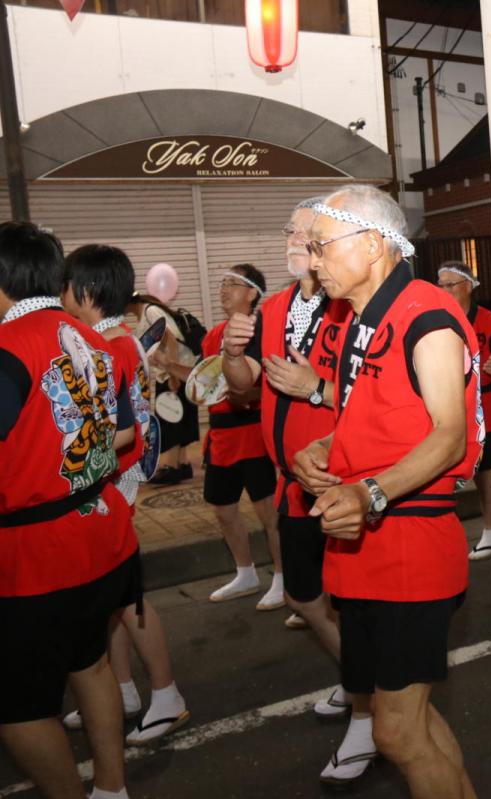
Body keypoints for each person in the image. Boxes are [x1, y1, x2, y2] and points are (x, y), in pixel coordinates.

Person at [294, 185, 479, 799]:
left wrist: (370, 492)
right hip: (363, 545)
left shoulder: (426, 313)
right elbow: (372, 417)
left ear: (372, 245)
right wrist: (326, 450)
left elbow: (449, 435)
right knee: (414, 720)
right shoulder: (360, 320)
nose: (312, 259)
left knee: (396, 733)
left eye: (321, 245)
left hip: (409, 544)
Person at [221, 199, 371, 784]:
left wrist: (316, 388)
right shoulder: (275, 306)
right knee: (305, 597)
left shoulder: (353, 307)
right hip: (292, 484)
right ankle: (357, 678)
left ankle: (367, 711)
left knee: (350, 600)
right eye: (287, 229)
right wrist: (235, 355)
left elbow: (381, 402)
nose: (290, 239)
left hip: (339, 480)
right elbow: (242, 391)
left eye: (302, 232)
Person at [0, 221, 139, 799]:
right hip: (100, 531)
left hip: (36, 556)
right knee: (92, 665)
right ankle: (111, 788)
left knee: (19, 709)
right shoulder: (92, 339)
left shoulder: (8, 351)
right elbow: (125, 433)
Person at [60, 244, 189, 746]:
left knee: (128, 596)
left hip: (113, 479)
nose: (60, 293)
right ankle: (124, 690)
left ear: (85, 290)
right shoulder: (120, 338)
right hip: (120, 478)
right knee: (112, 599)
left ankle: (166, 694)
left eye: (66, 284)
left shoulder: (103, 348)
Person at [157, 264, 284, 607]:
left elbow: (266, 387)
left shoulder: (262, 331)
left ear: (253, 293)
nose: (224, 289)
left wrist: (240, 395)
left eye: (234, 284)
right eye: (223, 283)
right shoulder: (215, 335)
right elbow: (202, 381)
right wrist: (168, 366)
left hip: (254, 434)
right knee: (224, 509)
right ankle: (245, 572)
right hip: (221, 439)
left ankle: (282, 577)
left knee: (268, 513)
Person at [437, 261, 491, 561]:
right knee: (444, 471)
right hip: (447, 404)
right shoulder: (439, 318)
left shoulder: (486, 318)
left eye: (450, 284)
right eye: (440, 285)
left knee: (483, 473)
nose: (444, 290)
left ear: (468, 286)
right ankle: (446, 537)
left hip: (482, 403)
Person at [131, 293, 198, 485]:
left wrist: (173, 372)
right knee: (179, 418)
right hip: (173, 371)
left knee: (169, 419)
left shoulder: (150, 311)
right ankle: (182, 464)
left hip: (173, 372)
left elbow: (169, 338)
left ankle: (171, 467)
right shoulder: (147, 312)